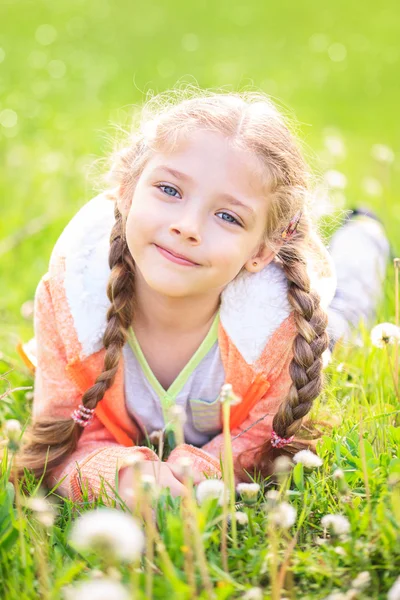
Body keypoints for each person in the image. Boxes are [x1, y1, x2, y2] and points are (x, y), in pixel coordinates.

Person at [16, 89, 390, 505]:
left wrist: (192, 475)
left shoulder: (281, 330)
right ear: (125, 190)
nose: (188, 226)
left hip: (306, 324)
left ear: (261, 251)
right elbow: (58, 443)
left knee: (347, 313)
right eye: (170, 190)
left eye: (228, 216)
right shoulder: (72, 299)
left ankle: (365, 235)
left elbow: (258, 445)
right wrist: (123, 477)